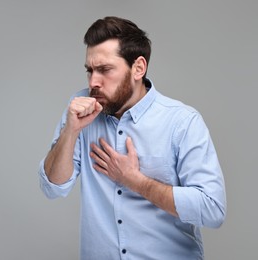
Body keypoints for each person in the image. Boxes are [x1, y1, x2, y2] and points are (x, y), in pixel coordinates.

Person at [38, 16, 226, 260]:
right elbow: (52, 187)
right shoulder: (80, 111)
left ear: (138, 68)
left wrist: (135, 181)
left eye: (105, 70)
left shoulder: (182, 122)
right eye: (90, 70)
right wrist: (70, 131)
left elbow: (212, 209)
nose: (93, 82)